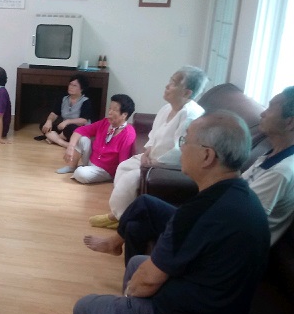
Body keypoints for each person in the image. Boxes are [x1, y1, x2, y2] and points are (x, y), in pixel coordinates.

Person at [71, 110, 270, 314]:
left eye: (185, 141)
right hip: (222, 299)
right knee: (138, 262)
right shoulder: (239, 195)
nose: (181, 147)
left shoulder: (200, 212)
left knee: (87, 310)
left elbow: (145, 284)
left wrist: (130, 299)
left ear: (207, 156)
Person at [84, 86, 294, 259]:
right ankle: (131, 282)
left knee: (145, 204)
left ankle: (117, 246)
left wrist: (196, 215)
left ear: (290, 121)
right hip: (213, 221)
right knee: (135, 226)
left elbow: (244, 222)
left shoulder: (282, 171)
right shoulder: (270, 156)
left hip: (221, 239)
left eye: (271, 108)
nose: (263, 113)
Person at [87, 66, 207, 230]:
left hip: (168, 165)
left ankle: (120, 219)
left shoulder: (191, 115)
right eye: (170, 81)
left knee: (129, 180)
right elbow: (154, 135)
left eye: (173, 83)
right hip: (151, 157)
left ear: (187, 93)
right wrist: (147, 151)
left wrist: (154, 164)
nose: (167, 86)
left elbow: (181, 150)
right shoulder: (166, 108)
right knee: (123, 167)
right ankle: (120, 213)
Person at [57, 94, 136, 184]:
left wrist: (118, 181)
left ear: (124, 115)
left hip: (105, 170)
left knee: (81, 173)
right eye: (110, 108)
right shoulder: (105, 122)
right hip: (92, 160)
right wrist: (70, 147)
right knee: (82, 138)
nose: (109, 112)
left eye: (114, 110)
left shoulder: (128, 134)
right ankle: (72, 167)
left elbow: (123, 161)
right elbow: (80, 130)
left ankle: (83, 170)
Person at [34, 74, 94, 147]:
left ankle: (54, 139)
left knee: (71, 128)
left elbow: (83, 120)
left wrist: (67, 121)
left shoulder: (85, 101)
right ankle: (63, 142)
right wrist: (49, 121)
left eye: (74, 85)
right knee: (44, 125)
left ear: (82, 89)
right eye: (70, 84)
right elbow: (54, 113)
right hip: (64, 128)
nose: (71, 87)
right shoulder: (64, 99)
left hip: (79, 129)